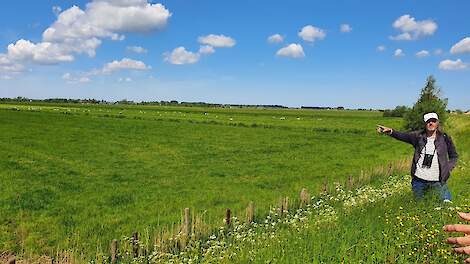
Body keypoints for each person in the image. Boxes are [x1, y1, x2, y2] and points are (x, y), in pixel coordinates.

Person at [377, 112, 458, 201]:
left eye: (433, 121)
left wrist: (448, 168)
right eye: (428, 121)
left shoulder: (445, 138)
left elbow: (454, 156)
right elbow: (403, 136)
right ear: (425, 124)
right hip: (419, 181)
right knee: (419, 207)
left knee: (446, 205)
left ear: (437, 123)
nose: (431, 123)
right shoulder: (417, 136)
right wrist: (391, 132)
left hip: (438, 181)